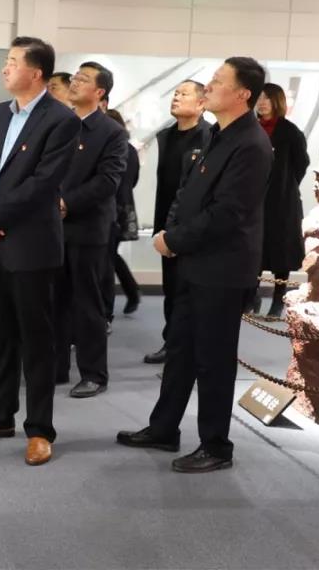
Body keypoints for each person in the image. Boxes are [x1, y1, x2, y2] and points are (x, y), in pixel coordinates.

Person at [117, 57, 272, 474]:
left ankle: (216, 446)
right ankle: (164, 428)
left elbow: (228, 213)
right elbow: (186, 194)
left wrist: (174, 240)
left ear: (243, 94)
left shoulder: (251, 144)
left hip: (222, 271)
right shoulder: (217, 135)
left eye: (218, 81)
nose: (209, 87)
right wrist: (171, 233)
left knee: (214, 361)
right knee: (181, 352)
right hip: (193, 264)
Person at [0, 36, 79, 467]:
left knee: (36, 340)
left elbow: (44, 184)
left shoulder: (61, 120)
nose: (5, 69)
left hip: (29, 243)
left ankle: (40, 429)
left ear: (36, 72)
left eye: (12, 62)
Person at [54, 62, 127, 398]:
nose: (74, 83)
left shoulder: (111, 132)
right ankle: (55, 367)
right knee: (54, 300)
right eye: (74, 77)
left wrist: (67, 203)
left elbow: (107, 181)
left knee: (87, 304)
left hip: (88, 228)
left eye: (83, 80)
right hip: (51, 227)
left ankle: (94, 374)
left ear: (99, 92)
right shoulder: (59, 123)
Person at [143, 81, 211, 364]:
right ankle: (171, 344)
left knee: (190, 292)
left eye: (184, 94)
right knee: (171, 289)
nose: (176, 97)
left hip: (192, 227)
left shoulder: (209, 137)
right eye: (175, 93)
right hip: (165, 224)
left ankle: (187, 350)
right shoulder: (166, 136)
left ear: (201, 103)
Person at [256, 83, 310, 317]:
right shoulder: (251, 129)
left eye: (267, 98)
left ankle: (278, 301)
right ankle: (251, 296)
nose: (262, 102)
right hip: (254, 201)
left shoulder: (290, 132)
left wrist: (285, 183)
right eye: (259, 98)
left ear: (277, 101)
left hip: (282, 202)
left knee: (281, 253)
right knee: (254, 251)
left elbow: (301, 164)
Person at [105, 109, 141, 318]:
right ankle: (131, 291)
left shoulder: (114, 149)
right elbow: (133, 179)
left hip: (113, 207)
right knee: (110, 255)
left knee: (107, 258)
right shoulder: (131, 150)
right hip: (124, 206)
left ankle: (110, 308)